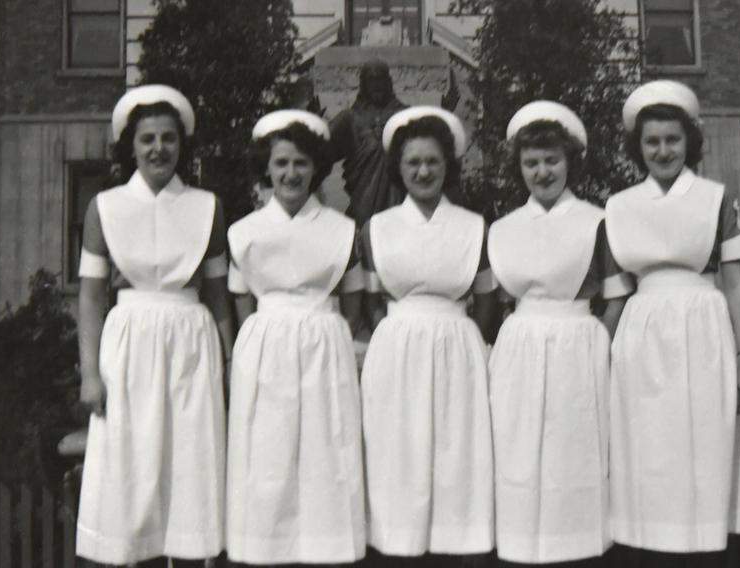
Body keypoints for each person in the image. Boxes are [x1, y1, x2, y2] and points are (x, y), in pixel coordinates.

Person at [606, 80, 740, 567]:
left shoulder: (717, 199)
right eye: (652, 141)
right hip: (641, 338)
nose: (663, 150)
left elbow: (736, 283)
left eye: (672, 139)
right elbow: (615, 295)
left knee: (703, 456)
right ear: (639, 147)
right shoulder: (619, 206)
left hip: (704, 332)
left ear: (689, 142)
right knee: (645, 456)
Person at [76, 85, 233, 567]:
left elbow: (219, 297)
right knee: (133, 467)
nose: (159, 149)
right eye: (148, 139)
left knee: (190, 467)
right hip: (128, 346)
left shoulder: (208, 207)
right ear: (132, 146)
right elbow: (91, 296)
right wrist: (88, 373)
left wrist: (228, 366)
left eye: (168, 138)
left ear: (182, 145)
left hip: (192, 344)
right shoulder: (104, 208)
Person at [487, 101, 633, 567]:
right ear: (520, 167)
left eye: (552, 160)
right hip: (519, 349)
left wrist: (595, 349)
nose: (542, 171)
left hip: (578, 346)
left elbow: (615, 299)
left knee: (573, 456)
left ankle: (579, 552)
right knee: (520, 454)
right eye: (531, 162)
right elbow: (494, 303)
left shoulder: (597, 221)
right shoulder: (503, 228)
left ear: (570, 161)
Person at [225, 109, 366, 566]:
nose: (291, 173)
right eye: (281, 163)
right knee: (269, 462)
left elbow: (353, 306)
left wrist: (329, 338)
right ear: (266, 167)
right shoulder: (243, 233)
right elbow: (243, 305)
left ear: (316, 168)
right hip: (265, 350)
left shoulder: (343, 231)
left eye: (301, 163)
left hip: (326, 348)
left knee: (327, 458)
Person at [359, 106, 496, 566]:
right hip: (396, 352)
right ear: (398, 169)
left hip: (459, 351)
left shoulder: (474, 227)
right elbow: (373, 304)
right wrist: (403, 338)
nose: (423, 171)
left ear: (448, 166)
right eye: (413, 162)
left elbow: (487, 303)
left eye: (433, 162)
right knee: (399, 460)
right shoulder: (377, 229)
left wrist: (461, 344)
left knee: (456, 462)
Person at [329, 58, 408, 226]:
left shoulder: (404, 115)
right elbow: (319, 147)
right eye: (371, 80)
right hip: (363, 197)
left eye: (380, 79)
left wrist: (447, 113)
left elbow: (431, 142)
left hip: (396, 197)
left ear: (388, 82)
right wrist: (310, 120)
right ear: (363, 84)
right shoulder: (350, 118)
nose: (376, 84)